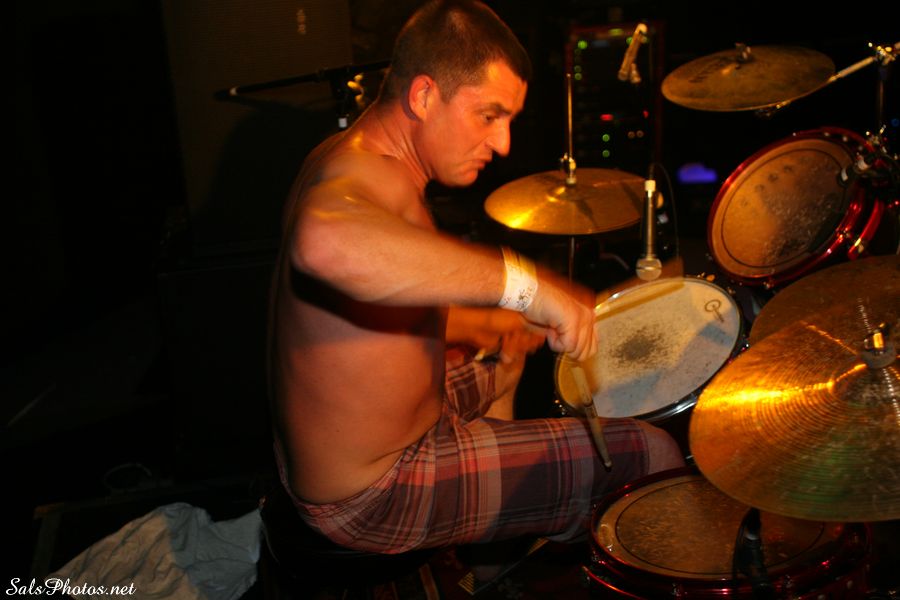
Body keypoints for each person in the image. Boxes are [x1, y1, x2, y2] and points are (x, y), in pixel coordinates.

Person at [267, 0, 683, 556]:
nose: (503, 143)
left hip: (376, 443)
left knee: (506, 355)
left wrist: (491, 322)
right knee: (653, 453)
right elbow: (323, 246)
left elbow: (370, 304)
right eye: (489, 115)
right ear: (423, 95)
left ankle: (492, 548)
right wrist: (528, 289)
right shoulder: (363, 175)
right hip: (374, 491)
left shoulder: (347, 153)